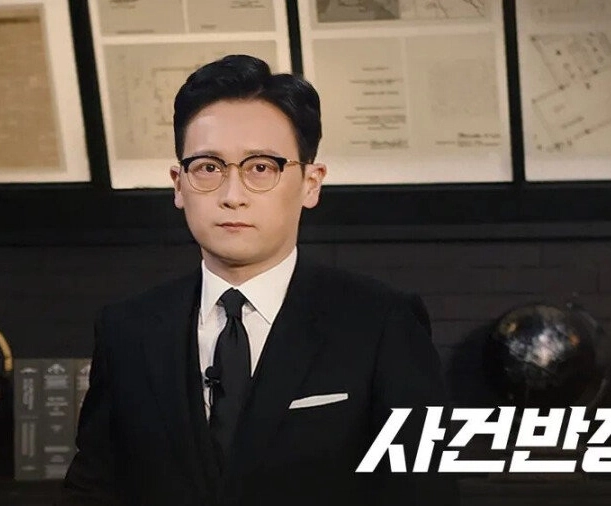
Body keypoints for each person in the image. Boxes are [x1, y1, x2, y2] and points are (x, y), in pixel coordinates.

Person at [58, 54, 458, 506]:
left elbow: (424, 492)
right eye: (209, 168)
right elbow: (93, 489)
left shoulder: (381, 323)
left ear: (311, 182)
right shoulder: (127, 330)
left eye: (261, 167)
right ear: (178, 183)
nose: (233, 196)